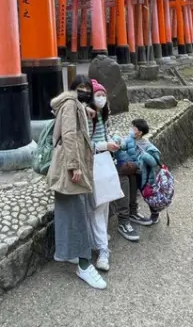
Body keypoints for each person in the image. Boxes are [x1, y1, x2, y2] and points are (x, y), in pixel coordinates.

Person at [48, 75, 106, 290]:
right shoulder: (72, 105)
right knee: (79, 215)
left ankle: (70, 254)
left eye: (87, 88)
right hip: (69, 169)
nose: (84, 91)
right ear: (73, 88)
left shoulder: (71, 104)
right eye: (80, 88)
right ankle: (84, 264)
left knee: (66, 213)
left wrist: (85, 110)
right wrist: (75, 167)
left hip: (63, 167)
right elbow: (70, 135)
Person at [87, 80, 120, 272]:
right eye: (97, 95)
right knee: (97, 207)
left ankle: (99, 240)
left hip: (105, 162)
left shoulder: (102, 116)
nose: (101, 98)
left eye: (102, 95)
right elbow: (84, 145)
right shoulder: (87, 117)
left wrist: (113, 141)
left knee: (103, 204)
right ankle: (102, 249)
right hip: (94, 164)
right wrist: (104, 146)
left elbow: (104, 137)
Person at [113, 119, 158, 234]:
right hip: (132, 171)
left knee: (147, 194)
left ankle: (154, 214)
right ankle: (130, 214)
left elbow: (154, 161)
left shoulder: (147, 145)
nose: (131, 130)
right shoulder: (129, 140)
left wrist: (144, 155)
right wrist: (116, 140)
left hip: (144, 175)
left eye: (134, 128)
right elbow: (122, 145)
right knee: (132, 191)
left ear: (140, 132)